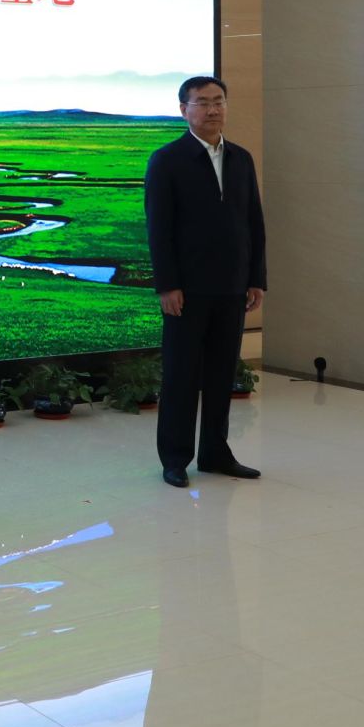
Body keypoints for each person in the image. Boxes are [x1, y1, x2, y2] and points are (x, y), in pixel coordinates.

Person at [143, 75, 266, 488]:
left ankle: (216, 453)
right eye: (202, 102)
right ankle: (175, 458)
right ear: (184, 110)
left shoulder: (241, 159)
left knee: (221, 374)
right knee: (181, 375)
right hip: (187, 289)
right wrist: (167, 285)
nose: (213, 110)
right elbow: (159, 229)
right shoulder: (167, 160)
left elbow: (254, 222)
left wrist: (256, 278)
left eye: (219, 101)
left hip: (232, 286)